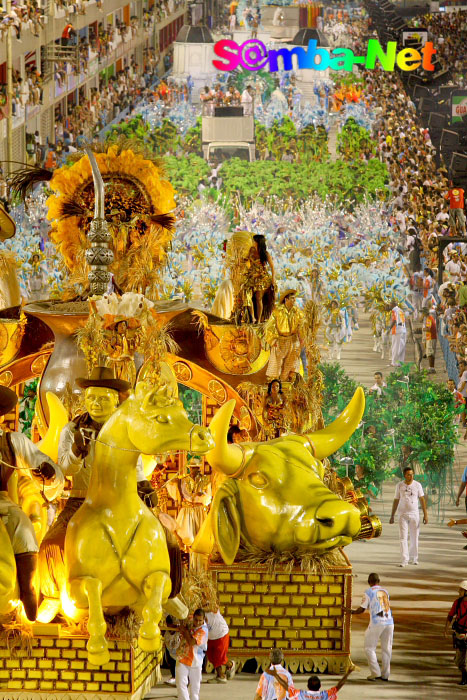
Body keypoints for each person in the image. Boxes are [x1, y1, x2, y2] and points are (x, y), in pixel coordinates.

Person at [39, 367, 154, 616]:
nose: (96, 403)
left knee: (160, 538)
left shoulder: (126, 429)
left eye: (103, 398)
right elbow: (66, 470)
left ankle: (157, 592)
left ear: (116, 400)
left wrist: (143, 484)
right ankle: (53, 595)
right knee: (51, 543)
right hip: (81, 500)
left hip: (120, 499)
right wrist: (77, 452)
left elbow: (135, 465)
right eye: (91, 397)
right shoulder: (71, 430)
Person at [0, 385, 63, 620]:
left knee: (25, 529)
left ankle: (28, 595)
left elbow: (39, 460)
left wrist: (48, 472)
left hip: (3, 503)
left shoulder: (12, 441)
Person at [349, 573, 394, 682]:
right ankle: (385, 675)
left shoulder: (368, 592)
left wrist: (351, 612)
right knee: (387, 649)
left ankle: (375, 672)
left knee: (369, 648)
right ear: (379, 581)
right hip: (389, 622)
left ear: (369, 582)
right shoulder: (385, 591)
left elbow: (362, 609)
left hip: (376, 622)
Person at [389, 466, 428, 567]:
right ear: (404, 475)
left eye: (412, 474)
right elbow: (396, 500)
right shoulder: (399, 485)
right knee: (403, 537)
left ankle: (414, 558)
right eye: (408, 474)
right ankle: (404, 559)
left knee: (414, 537)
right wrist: (392, 515)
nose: (410, 476)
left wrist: (425, 515)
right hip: (402, 514)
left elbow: (422, 500)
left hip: (414, 514)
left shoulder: (417, 485)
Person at [265, 290, 304, 382]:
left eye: (295, 298)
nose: (294, 300)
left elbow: (302, 325)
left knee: (290, 365)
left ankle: (286, 385)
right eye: (292, 298)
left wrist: (302, 339)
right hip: (280, 340)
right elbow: (270, 326)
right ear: (286, 299)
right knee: (276, 365)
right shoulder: (277, 311)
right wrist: (273, 340)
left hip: (293, 341)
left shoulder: (298, 312)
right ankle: (274, 385)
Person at [269, 663, 355, 698]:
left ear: (307, 686)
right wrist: (348, 673)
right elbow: (339, 686)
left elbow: (285, 685)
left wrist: (275, 675)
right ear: (320, 686)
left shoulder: (299, 694)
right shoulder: (325, 695)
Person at [175, 608, 208, 700]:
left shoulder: (203, 631)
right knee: (180, 684)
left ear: (203, 619)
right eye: (195, 620)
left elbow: (191, 642)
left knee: (194, 689)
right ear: (193, 618)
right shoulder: (190, 621)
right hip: (182, 658)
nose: (197, 622)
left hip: (196, 662)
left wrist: (185, 631)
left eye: (200, 620)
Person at [244, 233, 275, 323]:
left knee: (258, 298)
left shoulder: (265, 254)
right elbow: (247, 260)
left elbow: (272, 267)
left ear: (258, 242)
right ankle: (252, 317)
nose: (252, 242)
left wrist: (273, 279)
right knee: (247, 295)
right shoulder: (251, 250)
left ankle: (259, 319)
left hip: (262, 278)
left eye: (254, 241)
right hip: (251, 276)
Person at [205, 605, 235, 683]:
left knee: (220, 658)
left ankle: (228, 667)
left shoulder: (211, 606)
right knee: (211, 656)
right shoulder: (197, 610)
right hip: (211, 636)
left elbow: (214, 607)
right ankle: (222, 674)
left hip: (221, 634)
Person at [445, 581, 467, 685]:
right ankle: (464, 674)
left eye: (461, 590)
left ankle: (464, 678)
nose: (459, 592)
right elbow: (450, 616)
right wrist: (446, 629)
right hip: (460, 634)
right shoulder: (457, 603)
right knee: (459, 662)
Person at [164, 615, 180, 687]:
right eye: (169, 627)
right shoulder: (167, 634)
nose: (170, 630)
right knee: (171, 663)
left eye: (172, 627)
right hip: (171, 652)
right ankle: (173, 677)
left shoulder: (179, 632)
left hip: (180, 654)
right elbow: (167, 644)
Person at [389, 302, 406, 367]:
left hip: (397, 330)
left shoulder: (394, 310)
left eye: (390, 304)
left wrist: (389, 328)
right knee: (402, 347)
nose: (389, 305)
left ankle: (394, 362)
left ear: (393, 305)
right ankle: (400, 362)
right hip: (403, 329)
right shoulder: (400, 310)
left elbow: (394, 320)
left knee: (395, 347)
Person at [422, 304, 437, 373]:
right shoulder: (429, 318)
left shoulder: (429, 319)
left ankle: (431, 368)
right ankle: (431, 367)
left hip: (431, 337)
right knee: (429, 353)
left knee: (430, 353)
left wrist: (423, 329)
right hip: (430, 337)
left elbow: (428, 329)